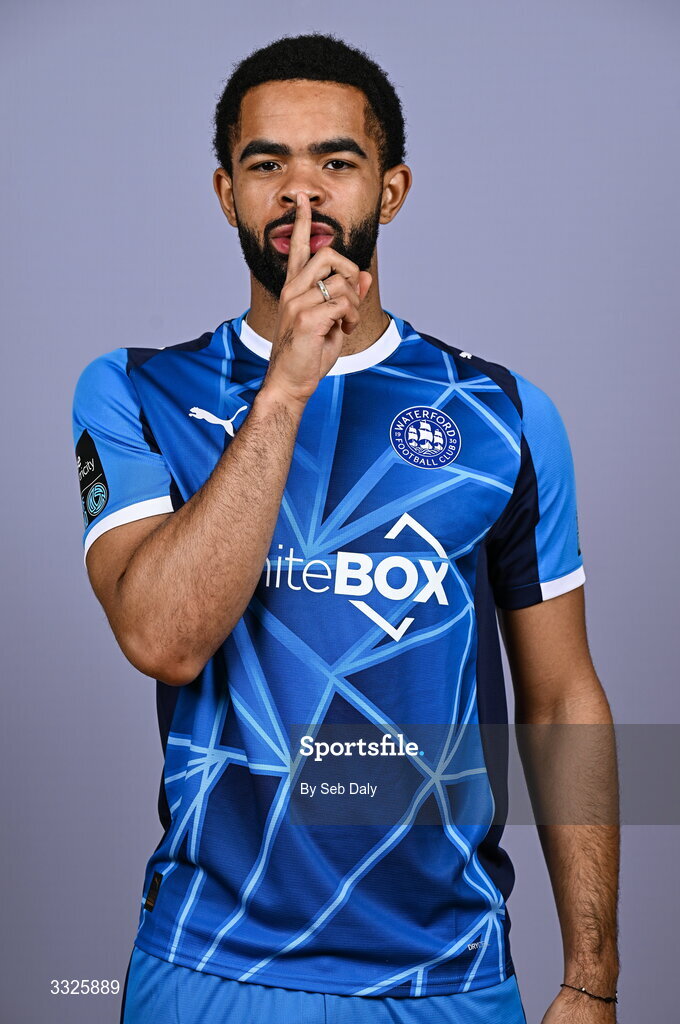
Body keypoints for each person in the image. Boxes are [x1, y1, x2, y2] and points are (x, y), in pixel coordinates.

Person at [71, 32, 620, 1024]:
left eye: (336, 161)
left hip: (443, 979)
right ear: (224, 193)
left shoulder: (502, 414)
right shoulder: (136, 391)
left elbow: (560, 697)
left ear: (392, 188)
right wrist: (285, 382)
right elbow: (163, 638)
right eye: (265, 163)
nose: (303, 194)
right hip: (210, 969)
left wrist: (591, 973)